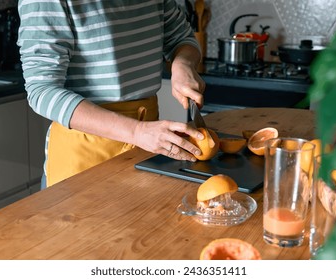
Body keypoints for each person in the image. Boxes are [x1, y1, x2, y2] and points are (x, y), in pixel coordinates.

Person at [17, 0, 206, 188]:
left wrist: (183, 64)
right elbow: (42, 91)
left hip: (147, 148)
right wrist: (136, 131)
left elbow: (182, 39)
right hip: (84, 156)